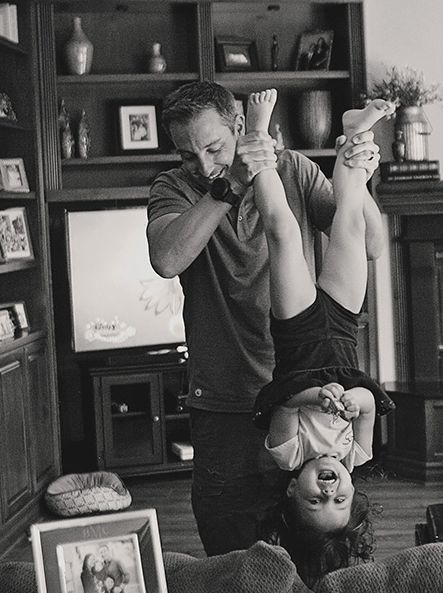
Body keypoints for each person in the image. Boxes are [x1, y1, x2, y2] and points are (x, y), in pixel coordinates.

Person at [146, 81, 385, 557]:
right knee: (233, 554)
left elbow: (369, 243)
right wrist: (231, 183)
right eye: (188, 155)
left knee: (317, 550)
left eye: (214, 148)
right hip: (226, 407)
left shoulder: (292, 167)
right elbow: (168, 259)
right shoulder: (173, 188)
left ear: (238, 126)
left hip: (301, 382)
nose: (203, 166)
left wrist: (358, 165)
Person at [243, 89, 395, 586]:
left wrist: (318, 397)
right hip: (343, 328)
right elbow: (369, 408)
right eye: (340, 499)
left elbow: (285, 404)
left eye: (316, 500)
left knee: (283, 234)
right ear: (353, 490)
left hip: (299, 333)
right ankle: (353, 133)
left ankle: (258, 142)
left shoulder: (288, 455)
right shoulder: (358, 455)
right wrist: (351, 401)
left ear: (292, 492)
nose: (329, 490)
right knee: (349, 225)